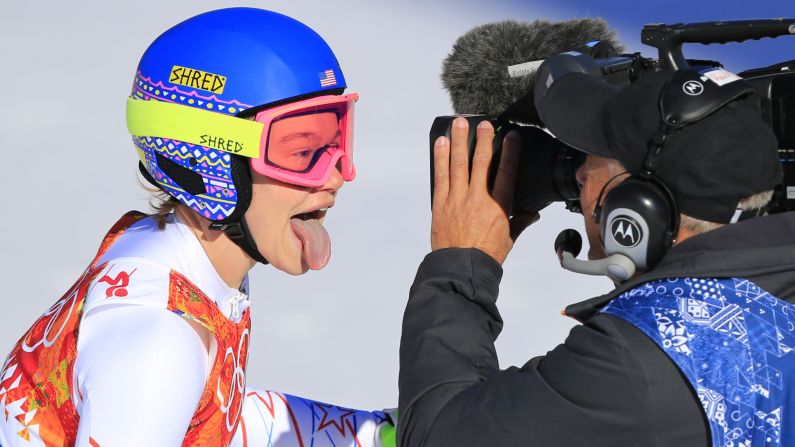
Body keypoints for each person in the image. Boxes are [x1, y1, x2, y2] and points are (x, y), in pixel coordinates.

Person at [0, 8, 395, 447]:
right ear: (208, 164)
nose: (335, 176)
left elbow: (211, 421)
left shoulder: (184, 263)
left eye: (335, 142)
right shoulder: (161, 340)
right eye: (303, 152)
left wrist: (380, 434)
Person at [398, 68, 794, 446]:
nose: (579, 176)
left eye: (591, 158)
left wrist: (461, 263)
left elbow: (440, 436)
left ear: (638, 214)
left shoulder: (640, 363)